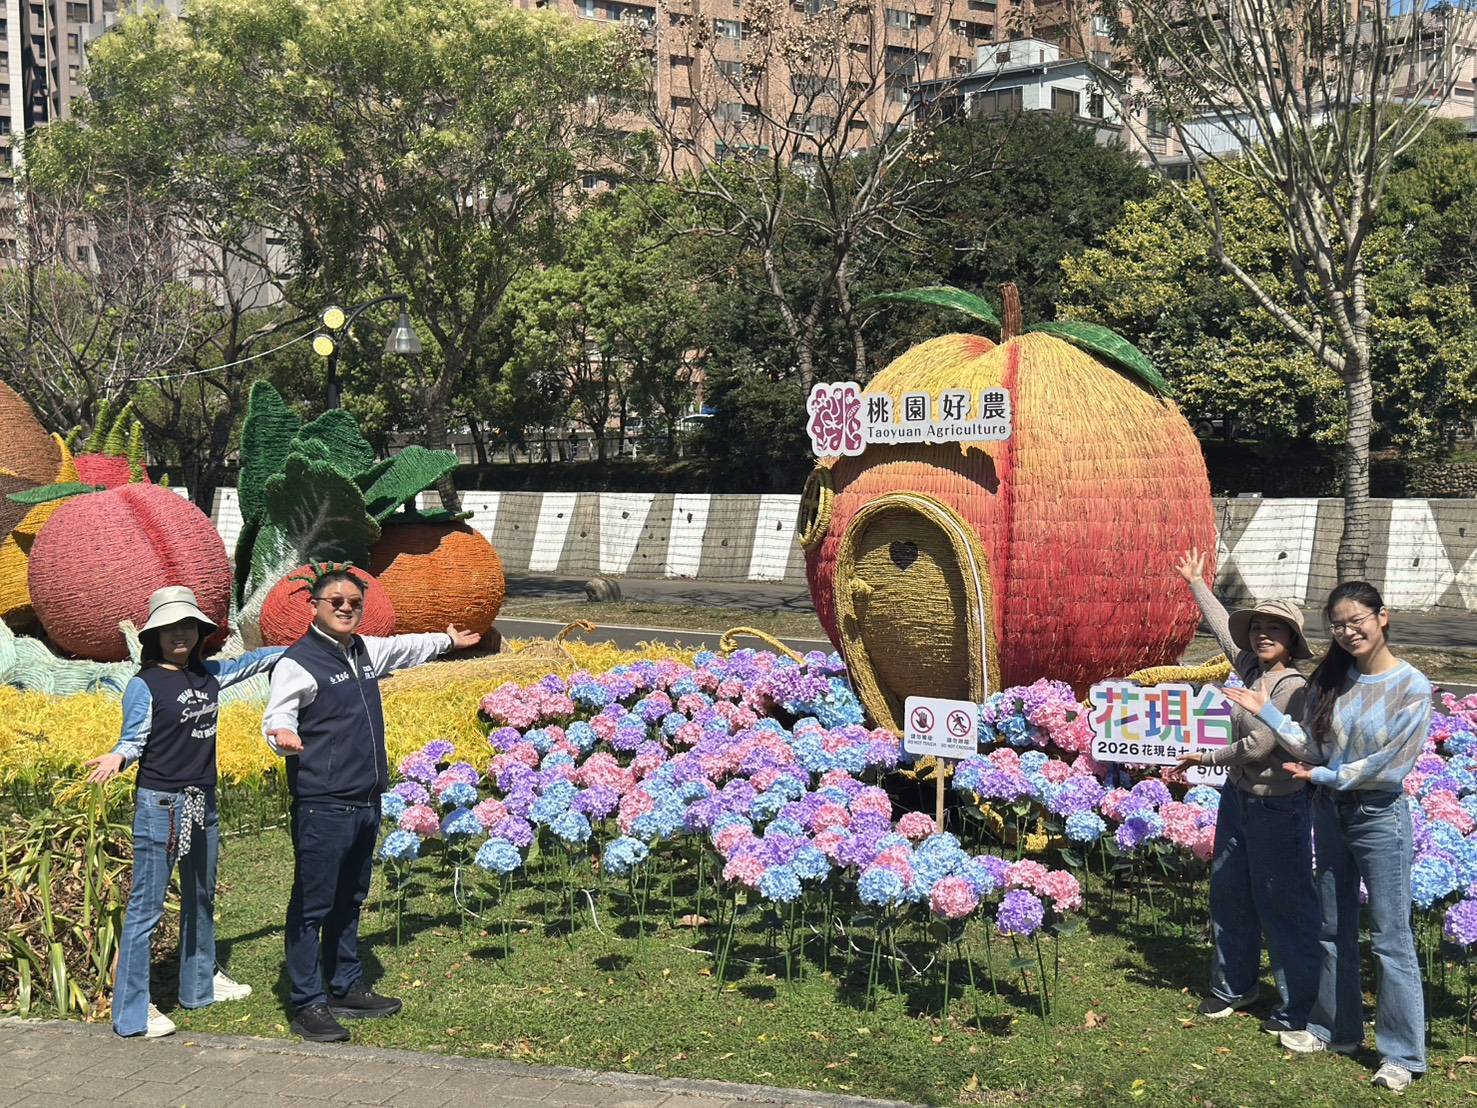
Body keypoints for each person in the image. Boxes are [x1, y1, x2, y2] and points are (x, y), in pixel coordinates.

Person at [1224, 581, 1432, 1093]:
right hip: (1329, 812)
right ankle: (1333, 1028)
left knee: (1391, 938)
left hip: (1379, 818)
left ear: (1382, 617)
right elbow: (1312, 745)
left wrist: (1329, 777)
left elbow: (1389, 765)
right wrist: (1269, 711)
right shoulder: (1333, 679)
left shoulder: (1413, 686)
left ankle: (1401, 1054)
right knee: (1332, 926)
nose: (1347, 631)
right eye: (1337, 625)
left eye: (1356, 620)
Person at [262, 565, 480, 1044]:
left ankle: (343, 987)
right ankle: (307, 1004)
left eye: (353, 602)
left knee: (351, 898)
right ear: (314, 607)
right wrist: (283, 736)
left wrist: (445, 640)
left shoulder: (362, 650)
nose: (345, 607)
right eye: (335, 600)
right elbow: (277, 715)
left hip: (365, 800)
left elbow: (404, 646)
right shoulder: (297, 662)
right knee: (313, 906)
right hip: (323, 803)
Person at [86, 586, 285, 1039]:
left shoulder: (210, 675)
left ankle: (199, 987)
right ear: (154, 636)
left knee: (201, 894)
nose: (181, 634)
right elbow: (134, 737)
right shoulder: (146, 683)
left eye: (189, 626)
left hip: (202, 801)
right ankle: (133, 1013)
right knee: (147, 908)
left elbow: (258, 660)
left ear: (200, 632)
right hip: (162, 805)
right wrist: (118, 757)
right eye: (171, 628)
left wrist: (305, 645)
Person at [1171, 549, 1322, 1037]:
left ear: (1292, 641)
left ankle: (1296, 1003)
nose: (1262, 634)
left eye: (1274, 630)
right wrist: (1197, 583)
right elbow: (1220, 626)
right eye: (1257, 627)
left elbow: (1258, 745)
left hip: (1280, 809)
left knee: (1281, 903)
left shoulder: (1291, 686)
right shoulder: (1251, 670)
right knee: (1230, 892)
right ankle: (1236, 985)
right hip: (1238, 802)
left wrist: (1204, 760)